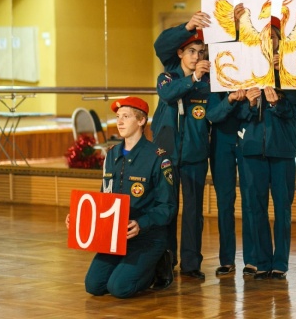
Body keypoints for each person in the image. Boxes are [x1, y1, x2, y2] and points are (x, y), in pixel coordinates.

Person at [66, 96, 176, 298]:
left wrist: (141, 224)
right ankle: (129, 268)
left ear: (141, 120)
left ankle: (157, 267)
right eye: (118, 117)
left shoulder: (158, 157)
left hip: (147, 237)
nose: (120, 121)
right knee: (94, 286)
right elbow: (104, 198)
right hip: (115, 237)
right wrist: (79, 219)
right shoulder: (111, 154)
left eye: (126, 116)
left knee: (119, 288)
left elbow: (167, 206)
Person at [238, 16, 296, 280]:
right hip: (252, 148)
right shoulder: (246, 70)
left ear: (280, 40)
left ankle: (281, 263)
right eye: (263, 37)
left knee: (282, 208)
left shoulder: (291, 70)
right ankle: (262, 260)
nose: (268, 41)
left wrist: (277, 101)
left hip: (282, 150)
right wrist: (251, 103)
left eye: (272, 36)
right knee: (255, 208)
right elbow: (239, 114)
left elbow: (295, 108)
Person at [151, 15, 211, 280]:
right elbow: (168, 94)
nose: (196, 57)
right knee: (167, 208)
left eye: (201, 52)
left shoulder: (207, 83)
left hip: (195, 155)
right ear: (180, 53)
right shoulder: (167, 76)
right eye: (191, 51)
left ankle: (191, 263)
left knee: (193, 212)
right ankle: (166, 260)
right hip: (166, 154)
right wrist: (192, 78)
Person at [206, 3, 257, 276]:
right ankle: (227, 259)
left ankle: (251, 259)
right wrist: (230, 100)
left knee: (250, 199)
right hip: (222, 141)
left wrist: (248, 101)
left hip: (246, 138)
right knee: (225, 202)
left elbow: (253, 112)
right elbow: (212, 114)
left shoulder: (254, 63)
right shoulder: (216, 67)